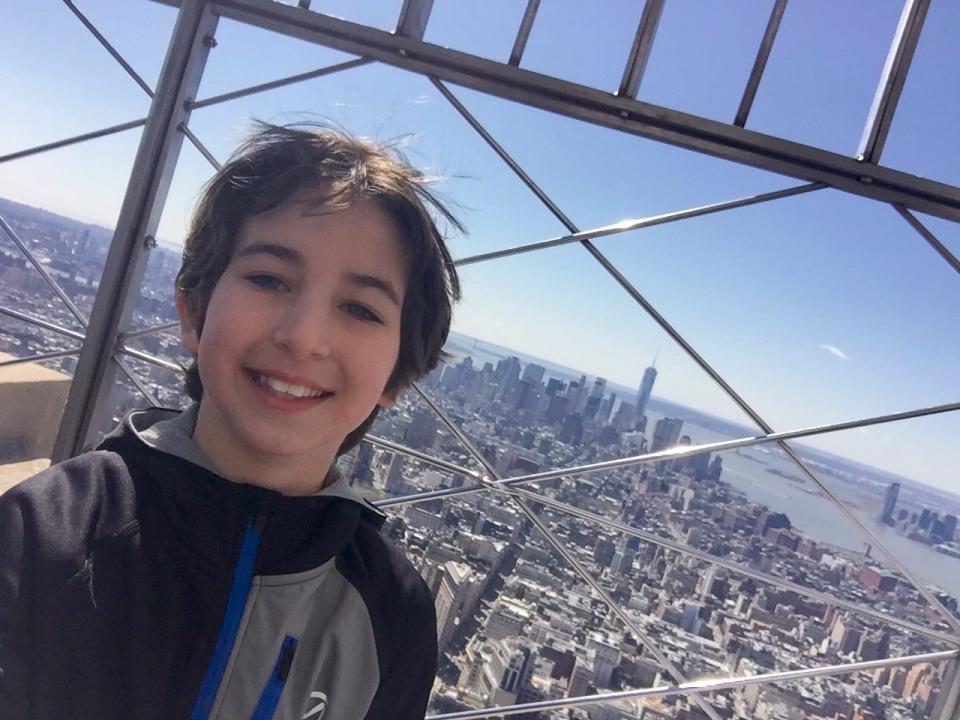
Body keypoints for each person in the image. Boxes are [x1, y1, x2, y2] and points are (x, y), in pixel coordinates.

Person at [0, 123, 462, 720]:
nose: (303, 337)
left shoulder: (392, 614)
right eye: (269, 278)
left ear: (400, 376)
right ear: (192, 311)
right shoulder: (47, 531)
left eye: (359, 308)